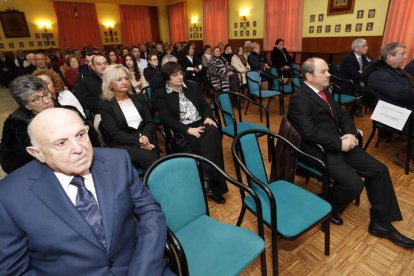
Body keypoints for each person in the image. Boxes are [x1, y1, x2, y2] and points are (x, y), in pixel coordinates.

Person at [0, 108, 173, 275]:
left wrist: (145, 268)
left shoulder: (117, 161)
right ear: (37, 154)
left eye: (80, 135)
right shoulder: (9, 197)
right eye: (61, 143)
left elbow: (150, 212)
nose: (78, 148)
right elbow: (14, 270)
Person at [287, 57, 414, 248]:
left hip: (340, 143)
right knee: (354, 185)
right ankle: (325, 206)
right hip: (319, 149)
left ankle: (381, 223)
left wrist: (349, 133)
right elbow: (309, 132)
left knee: (379, 170)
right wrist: (339, 143)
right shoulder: (299, 98)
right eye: (323, 72)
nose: (329, 74)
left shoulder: (323, 91)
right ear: (308, 76)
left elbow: (342, 114)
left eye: (327, 70)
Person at [155, 62, 228, 204]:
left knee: (213, 131)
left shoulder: (192, 86)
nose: (180, 77)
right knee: (206, 142)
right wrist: (188, 129)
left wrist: (208, 117)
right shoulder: (161, 94)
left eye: (181, 73)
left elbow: (205, 105)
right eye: (175, 75)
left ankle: (208, 180)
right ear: (167, 78)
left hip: (201, 124)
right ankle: (209, 183)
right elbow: (166, 119)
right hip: (183, 130)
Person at [98, 64, 159, 170]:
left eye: (126, 78)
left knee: (152, 156)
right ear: (110, 83)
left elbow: (150, 122)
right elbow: (114, 133)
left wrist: (145, 136)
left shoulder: (139, 98)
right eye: (119, 79)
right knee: (150, 157)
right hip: (124, 145)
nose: (124, 82)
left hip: (146, 139)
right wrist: (139, 141)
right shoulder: (106, 105)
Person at [367, 42, 414, 170]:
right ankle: (404, 155)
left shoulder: (394, 71)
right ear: (389, 57)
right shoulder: (380, 75)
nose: (405, 57)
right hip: (390, 115)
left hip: (401, 109)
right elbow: (404, 94)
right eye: (402, 54)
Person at [0, 75, 54, 174]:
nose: (47, 101)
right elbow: (8, 163)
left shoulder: (69, 110)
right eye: (36, 99)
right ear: (26, 105)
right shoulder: (15, 124)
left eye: (46, 94)